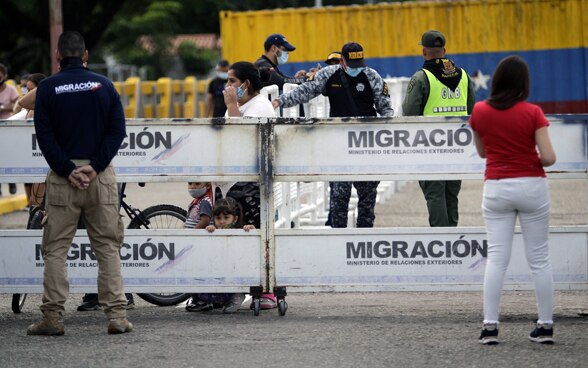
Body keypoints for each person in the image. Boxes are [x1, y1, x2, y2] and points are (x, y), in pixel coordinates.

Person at [28, 31, 131, 335]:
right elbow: (117, 131)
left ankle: (53, 318)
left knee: (56, 250)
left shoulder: (47, 88)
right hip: (100, 178)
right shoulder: (105, 85)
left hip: (63, 179)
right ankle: (117, 317)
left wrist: (68, 169)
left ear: (58, 57)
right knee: (108, 248)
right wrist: (95, 167)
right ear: (85, 56)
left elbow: (44, 136)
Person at [469, 55, 557, 345]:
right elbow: (548, 157)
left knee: (496, 259)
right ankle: (544, 326)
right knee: (539, 260)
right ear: (524, 84)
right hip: (532, 186)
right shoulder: (533, 113)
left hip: (496, 187)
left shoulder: (480, 111)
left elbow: (482, 153)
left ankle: (490, 327)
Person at [272, 42, 393, 228]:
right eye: (352, 65)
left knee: (367, 200)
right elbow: (306, 91)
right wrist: (280, 101)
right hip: (339, 148)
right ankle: (338, 242)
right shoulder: (329, 74)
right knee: (339, 198)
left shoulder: (371, 77)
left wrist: (385, 144)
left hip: (366, 148)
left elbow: (386, 111)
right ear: (342, 60)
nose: (356, 69)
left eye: (359, 64)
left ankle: (364, 241)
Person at [216, 61, 278, 309]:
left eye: (232, 81)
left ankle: (266, 291)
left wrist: (231, 107)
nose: (228, 86)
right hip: (233, 186)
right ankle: (236, 289)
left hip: (251, 187)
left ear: (246, 84)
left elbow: (244, 141)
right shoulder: (240, 106)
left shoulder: (260, 106)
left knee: (254, 235)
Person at [402, 30, 475, 227]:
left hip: (429, 147)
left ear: (424, 52)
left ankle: (442, 241)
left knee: (434, 194)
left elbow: (409, 114)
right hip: (457, 146)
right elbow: (472, 111)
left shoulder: (421, 78)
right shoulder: (464, 76)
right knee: (452, 193)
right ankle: (452, 237)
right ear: (444, 50)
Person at [186, 197, 254, 313]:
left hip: (234, 271)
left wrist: (249, 228)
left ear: (235, 219)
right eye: (218, 218)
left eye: (226, 218)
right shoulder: (214, 230)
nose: (222, 221)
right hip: (217, 268)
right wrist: (209, 230)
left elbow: (252, 237)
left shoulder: (240, 231)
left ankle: (236, 296)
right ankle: (203, 301)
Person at [0, 63, 20, 196]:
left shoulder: (12, 89)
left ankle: (12, 181)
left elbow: (17, 105)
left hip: (8, 127)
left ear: (5, 76)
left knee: (8, 155)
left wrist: (3, 108)